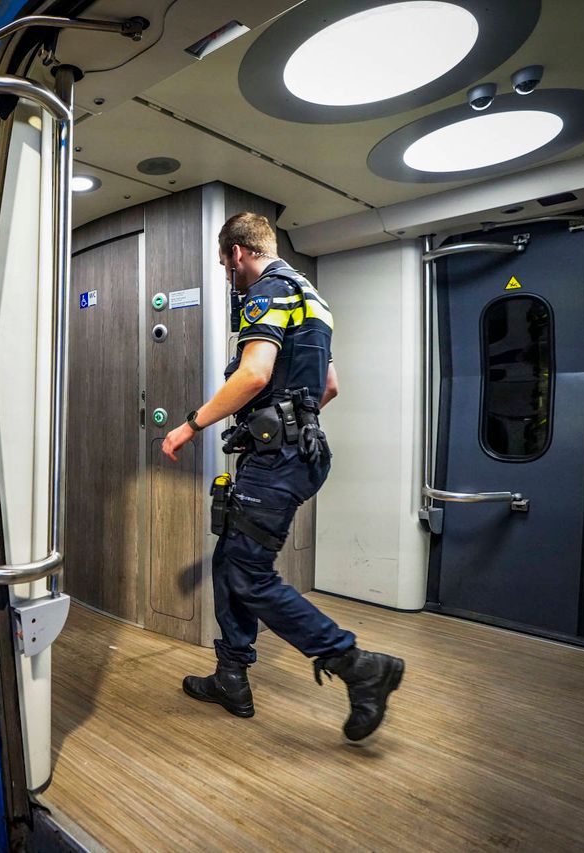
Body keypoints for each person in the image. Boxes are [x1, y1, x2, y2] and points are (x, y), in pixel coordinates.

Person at [161, 212, 404, 743]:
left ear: (238, 253)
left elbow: (254, 374)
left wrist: (190, 425)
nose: (229, 275)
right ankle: (231, 676)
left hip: (278, 461)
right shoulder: (311, 297)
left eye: (227, 264)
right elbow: (330, 386)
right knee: (232, 561)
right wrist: (292, 421)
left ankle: (357, 665)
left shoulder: (266, 291)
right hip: (302, 451)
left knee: (249, 576)